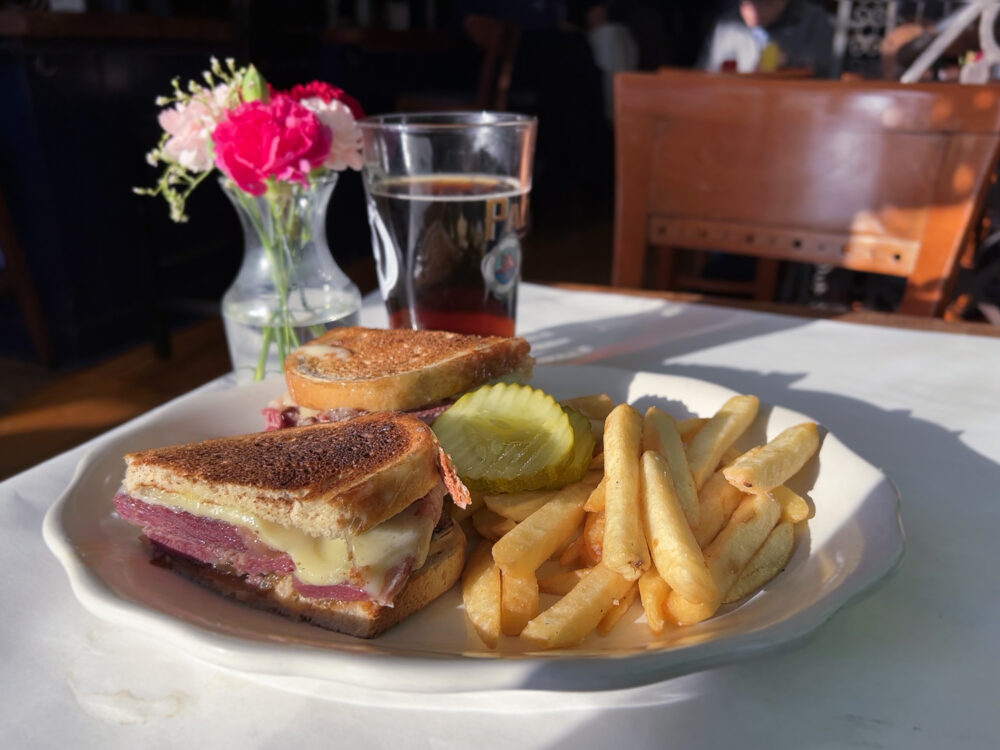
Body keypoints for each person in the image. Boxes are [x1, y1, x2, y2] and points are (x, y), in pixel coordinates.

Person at [701, 0, 835, 77]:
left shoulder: (813, 22)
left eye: (765, 3)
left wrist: (789, 63)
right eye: (748, 3)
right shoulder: (727, 25)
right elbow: (702, 73)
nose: (755, 11)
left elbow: (826, 72)